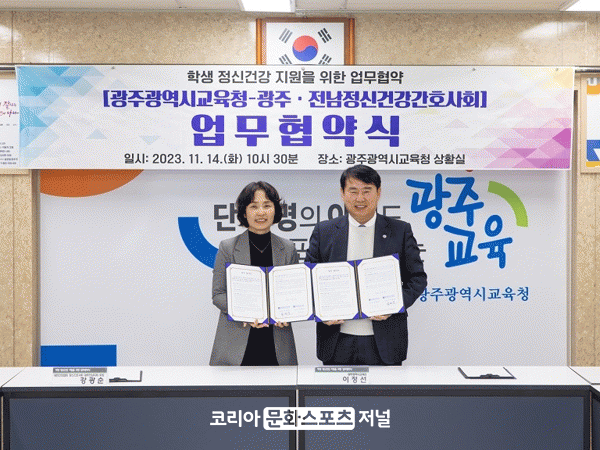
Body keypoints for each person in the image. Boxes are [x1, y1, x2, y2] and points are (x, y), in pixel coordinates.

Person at [305, 165, 427, 365]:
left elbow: (417, 279)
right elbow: (308, 280)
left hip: (385, 342)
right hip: (337, 341)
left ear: (378, 193)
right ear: (342, 194)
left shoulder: (399, 231)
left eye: (367, 191)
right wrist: (321, 311)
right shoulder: (324, 231)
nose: (360, 198)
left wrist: (394, 305)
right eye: (353, 191)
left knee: (384, 388)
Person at [210, 181, 299, 366]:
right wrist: (244, 313)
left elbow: (294, 294)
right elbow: (218, 294)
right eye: (254, 206)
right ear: (244, 212)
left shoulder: (288, 248)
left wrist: (289, 313)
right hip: (236, 344)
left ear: (275, 210)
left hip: (277, 342)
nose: (261, 212)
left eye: (267, 205)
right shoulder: (228, 247)